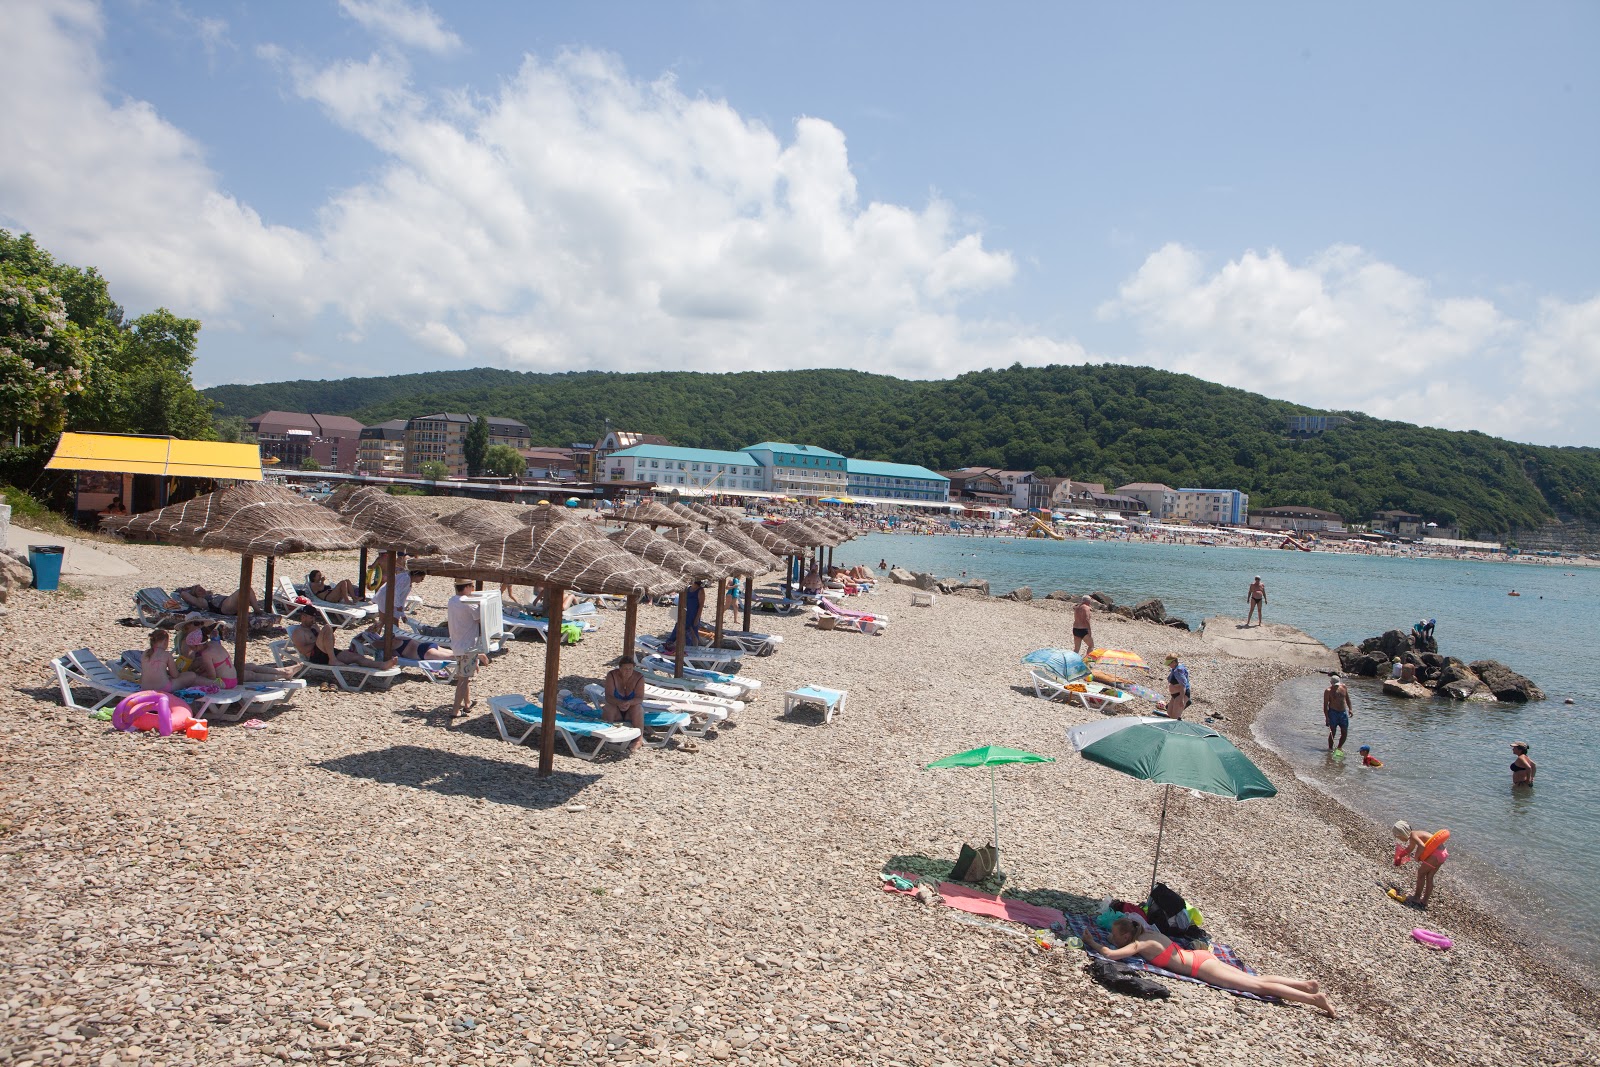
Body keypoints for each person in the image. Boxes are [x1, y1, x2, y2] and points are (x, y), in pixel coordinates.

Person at [1082, 917, 1335, 1017]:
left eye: (1115, 935)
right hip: (1202, 957)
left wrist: (1091, 941)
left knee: (1257, 986)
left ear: (1126, 938)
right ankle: (1304, 984)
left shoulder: (1138, 945)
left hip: (1201, 969)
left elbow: (1110, 954)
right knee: (1255, 977)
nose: (1112, 938)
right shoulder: (1148, 933)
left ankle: (1314, 999)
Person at [192, 623, 301, 685]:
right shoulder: (212, 644)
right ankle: (282, 674)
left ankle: (283, 672)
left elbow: (212, 676)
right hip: (225, 672)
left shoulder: (205, 651)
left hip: (223, 677)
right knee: (249, 673)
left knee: (249, 667)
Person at [290, 608, 395, 671]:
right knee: (327, 627)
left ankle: (382, 665)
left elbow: (326, 642)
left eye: (314, 618)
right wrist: (320, 641)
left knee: (356, 657)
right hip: (315, 656)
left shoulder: (314, 627)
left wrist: (327, 640)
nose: (313, 620)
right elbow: (303, 651)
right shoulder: (298, 632)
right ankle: (333, 660)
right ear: (303, 617)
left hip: (327, 651)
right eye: (310, 618)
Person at [446, 579, 488, 722]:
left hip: (457, 644)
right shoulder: (467, 603)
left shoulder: (452, 600)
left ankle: (467, 704)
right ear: (467, 587)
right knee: (463, 679)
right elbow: (480, 618)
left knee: (465, 674)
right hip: (468, 646)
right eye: (472, 587)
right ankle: (455, 710)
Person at [1392, 821, 1447, 908]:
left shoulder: (1413, 835)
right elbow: (1410, 848)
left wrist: (1417, 857)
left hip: (1435, 855)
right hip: (1443, 853)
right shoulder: (1415, 834)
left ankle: (1416, 897)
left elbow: (1421, 846)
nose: (1400, 839)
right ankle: (1425, 901)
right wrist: (1401, 856)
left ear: (1402, 833)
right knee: (1430, 876)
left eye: (1399, 837)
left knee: (1421, 873)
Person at [601, 655, 646, 752]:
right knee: (609, 707)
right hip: (616, 710)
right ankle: (607, 737)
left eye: (630, 668)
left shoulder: (639, 677)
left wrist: (629, 702)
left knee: (638, 708)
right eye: (625, 668)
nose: (628, 671)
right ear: (620, 668)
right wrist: (619, 702)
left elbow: (639, 698)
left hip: (631, 712)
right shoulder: (612, 676)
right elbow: (608, 697)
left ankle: (638, 739)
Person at [139, 629, 207, 692]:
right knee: (191, 675)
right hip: (163, 688)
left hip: (145, 688)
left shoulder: (145, 653)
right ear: (165, 641)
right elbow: (175, 675)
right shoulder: (166, 654)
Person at [175, 584, 259, 616]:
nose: (202, 590)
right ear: (196, 594)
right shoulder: (201, 601)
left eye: (202, 588)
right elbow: (183, 594)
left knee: (248, 590)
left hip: (228, 603)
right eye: (199, 590)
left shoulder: (210, 595)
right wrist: (188, 589)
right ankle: (257, 610)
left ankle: (257, 609)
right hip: (224, 607)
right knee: (245, 589)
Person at [1323, 674, 1353, 752]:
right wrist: (1327, 718)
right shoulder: (1328, 691)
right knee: (1333, 732)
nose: (1336, 686)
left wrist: (1350, 709)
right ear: (1331, 683)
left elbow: (1347, 699)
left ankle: (1339, 747)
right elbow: (1325, 705)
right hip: (1333, 712)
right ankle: (1330, 749)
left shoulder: (1344, 687)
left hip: (1343, 713)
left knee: (1344, 732)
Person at [1163, 654, 1190, 720]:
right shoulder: (1175, 668)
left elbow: (1183, 685)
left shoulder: (1178, 671)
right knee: (1169, 712)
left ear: (1174, 662)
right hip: (1174, 694)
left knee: (1175, 716)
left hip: (1180, 694)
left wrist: (1181, 699)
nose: (1169, 665)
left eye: (1169, 663)